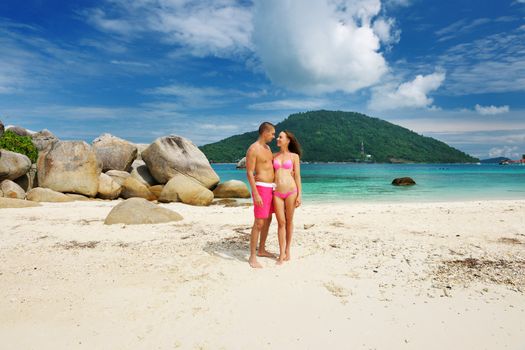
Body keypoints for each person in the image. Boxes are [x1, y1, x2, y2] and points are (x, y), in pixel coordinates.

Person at [246, 122, 276, 268]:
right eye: (272, 133)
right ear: (265, 132)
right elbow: (249, 173)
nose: (273, 136)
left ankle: (262, 249)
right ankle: (252, 256)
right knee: (259, 223)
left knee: (268, 220)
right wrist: (256, 194)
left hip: (271, 188)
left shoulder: (268, 148)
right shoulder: (253, 149)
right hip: (261, 188)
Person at [273, 130, 302, 265]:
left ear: (288, 140)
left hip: (291, 192)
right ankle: (281, 254)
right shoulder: (274, 156)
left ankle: (287, 250)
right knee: (281, 223)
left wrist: (299, 195)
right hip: (277, 193)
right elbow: (268, 173)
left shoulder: (294, 156)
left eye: (280, 137)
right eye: (278, 137)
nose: (277, 139)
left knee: (289, 221)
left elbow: (297, 176)